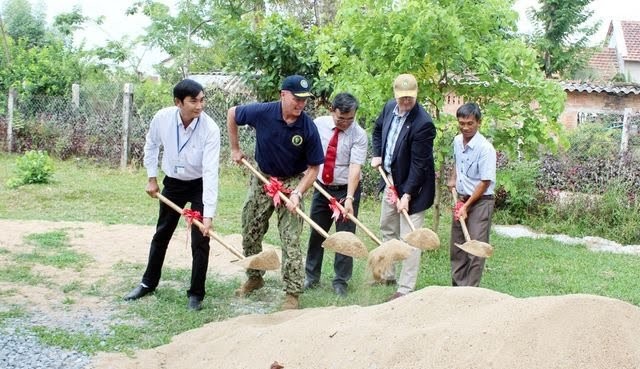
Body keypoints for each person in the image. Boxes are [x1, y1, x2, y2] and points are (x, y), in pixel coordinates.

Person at [227, 75, 324, 310]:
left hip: (291, 182)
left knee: (290, 238)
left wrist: (298, 193)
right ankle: (254, 277)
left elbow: (314, 168)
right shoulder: (263, 112)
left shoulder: (307, 127)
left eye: (304, 100)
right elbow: (232, 113)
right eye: (296, 99)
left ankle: (292, 293)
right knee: (250, 228)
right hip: (263, 177)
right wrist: (235, 148)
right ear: (283, 94)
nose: (301, 104)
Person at [124, 79, 221, 311]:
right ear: (178, 102)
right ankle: (148, 283)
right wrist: (151, 178)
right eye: (193, 101)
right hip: (174, 184)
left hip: (198, 184)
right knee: (162, 233)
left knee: (200, 240)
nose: (200, 106)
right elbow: (151, 145)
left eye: (202, 100)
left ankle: (196, 294)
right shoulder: (162, 118)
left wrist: (208, 214)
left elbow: (210, 172)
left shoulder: (210, 129)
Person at [371, 73, 436, 301]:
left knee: (410, 238)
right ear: (395, 95)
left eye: (410, 98)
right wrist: (377, 154)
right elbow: (378, 129)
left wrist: (407, 194)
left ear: (416, 95)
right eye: (402, 98)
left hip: (414, 189)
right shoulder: (389, 107)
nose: (406, 102)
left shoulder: (423, 124)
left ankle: (405, 288)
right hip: (390, 181)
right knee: (387, 227)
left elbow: (419, 165)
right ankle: (388, 274)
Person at [304, 92, 368, 297]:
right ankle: (311, 277)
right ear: (332, 111)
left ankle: (341, 281)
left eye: (350, 119)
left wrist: (349, 198)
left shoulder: (359, 134)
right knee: (317, 232)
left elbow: (355, 168)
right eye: (341, 118)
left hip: (345, 189)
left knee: (345, 237)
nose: (346, 123)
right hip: (322, 187)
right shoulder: (318, 124)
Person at [448, 102, 496, 287]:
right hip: (461, 198)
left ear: (479, 123)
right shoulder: (457, 141)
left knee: (475, 247)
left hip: (480, 202)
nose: (465, 127)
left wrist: (466, 207)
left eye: (470, 123)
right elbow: (457, 164)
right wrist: (453, 179)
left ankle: (471, 291)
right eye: (462, 123)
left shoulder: (485, 149)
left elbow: (485, 182)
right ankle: (458, 288)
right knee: (458, 246)